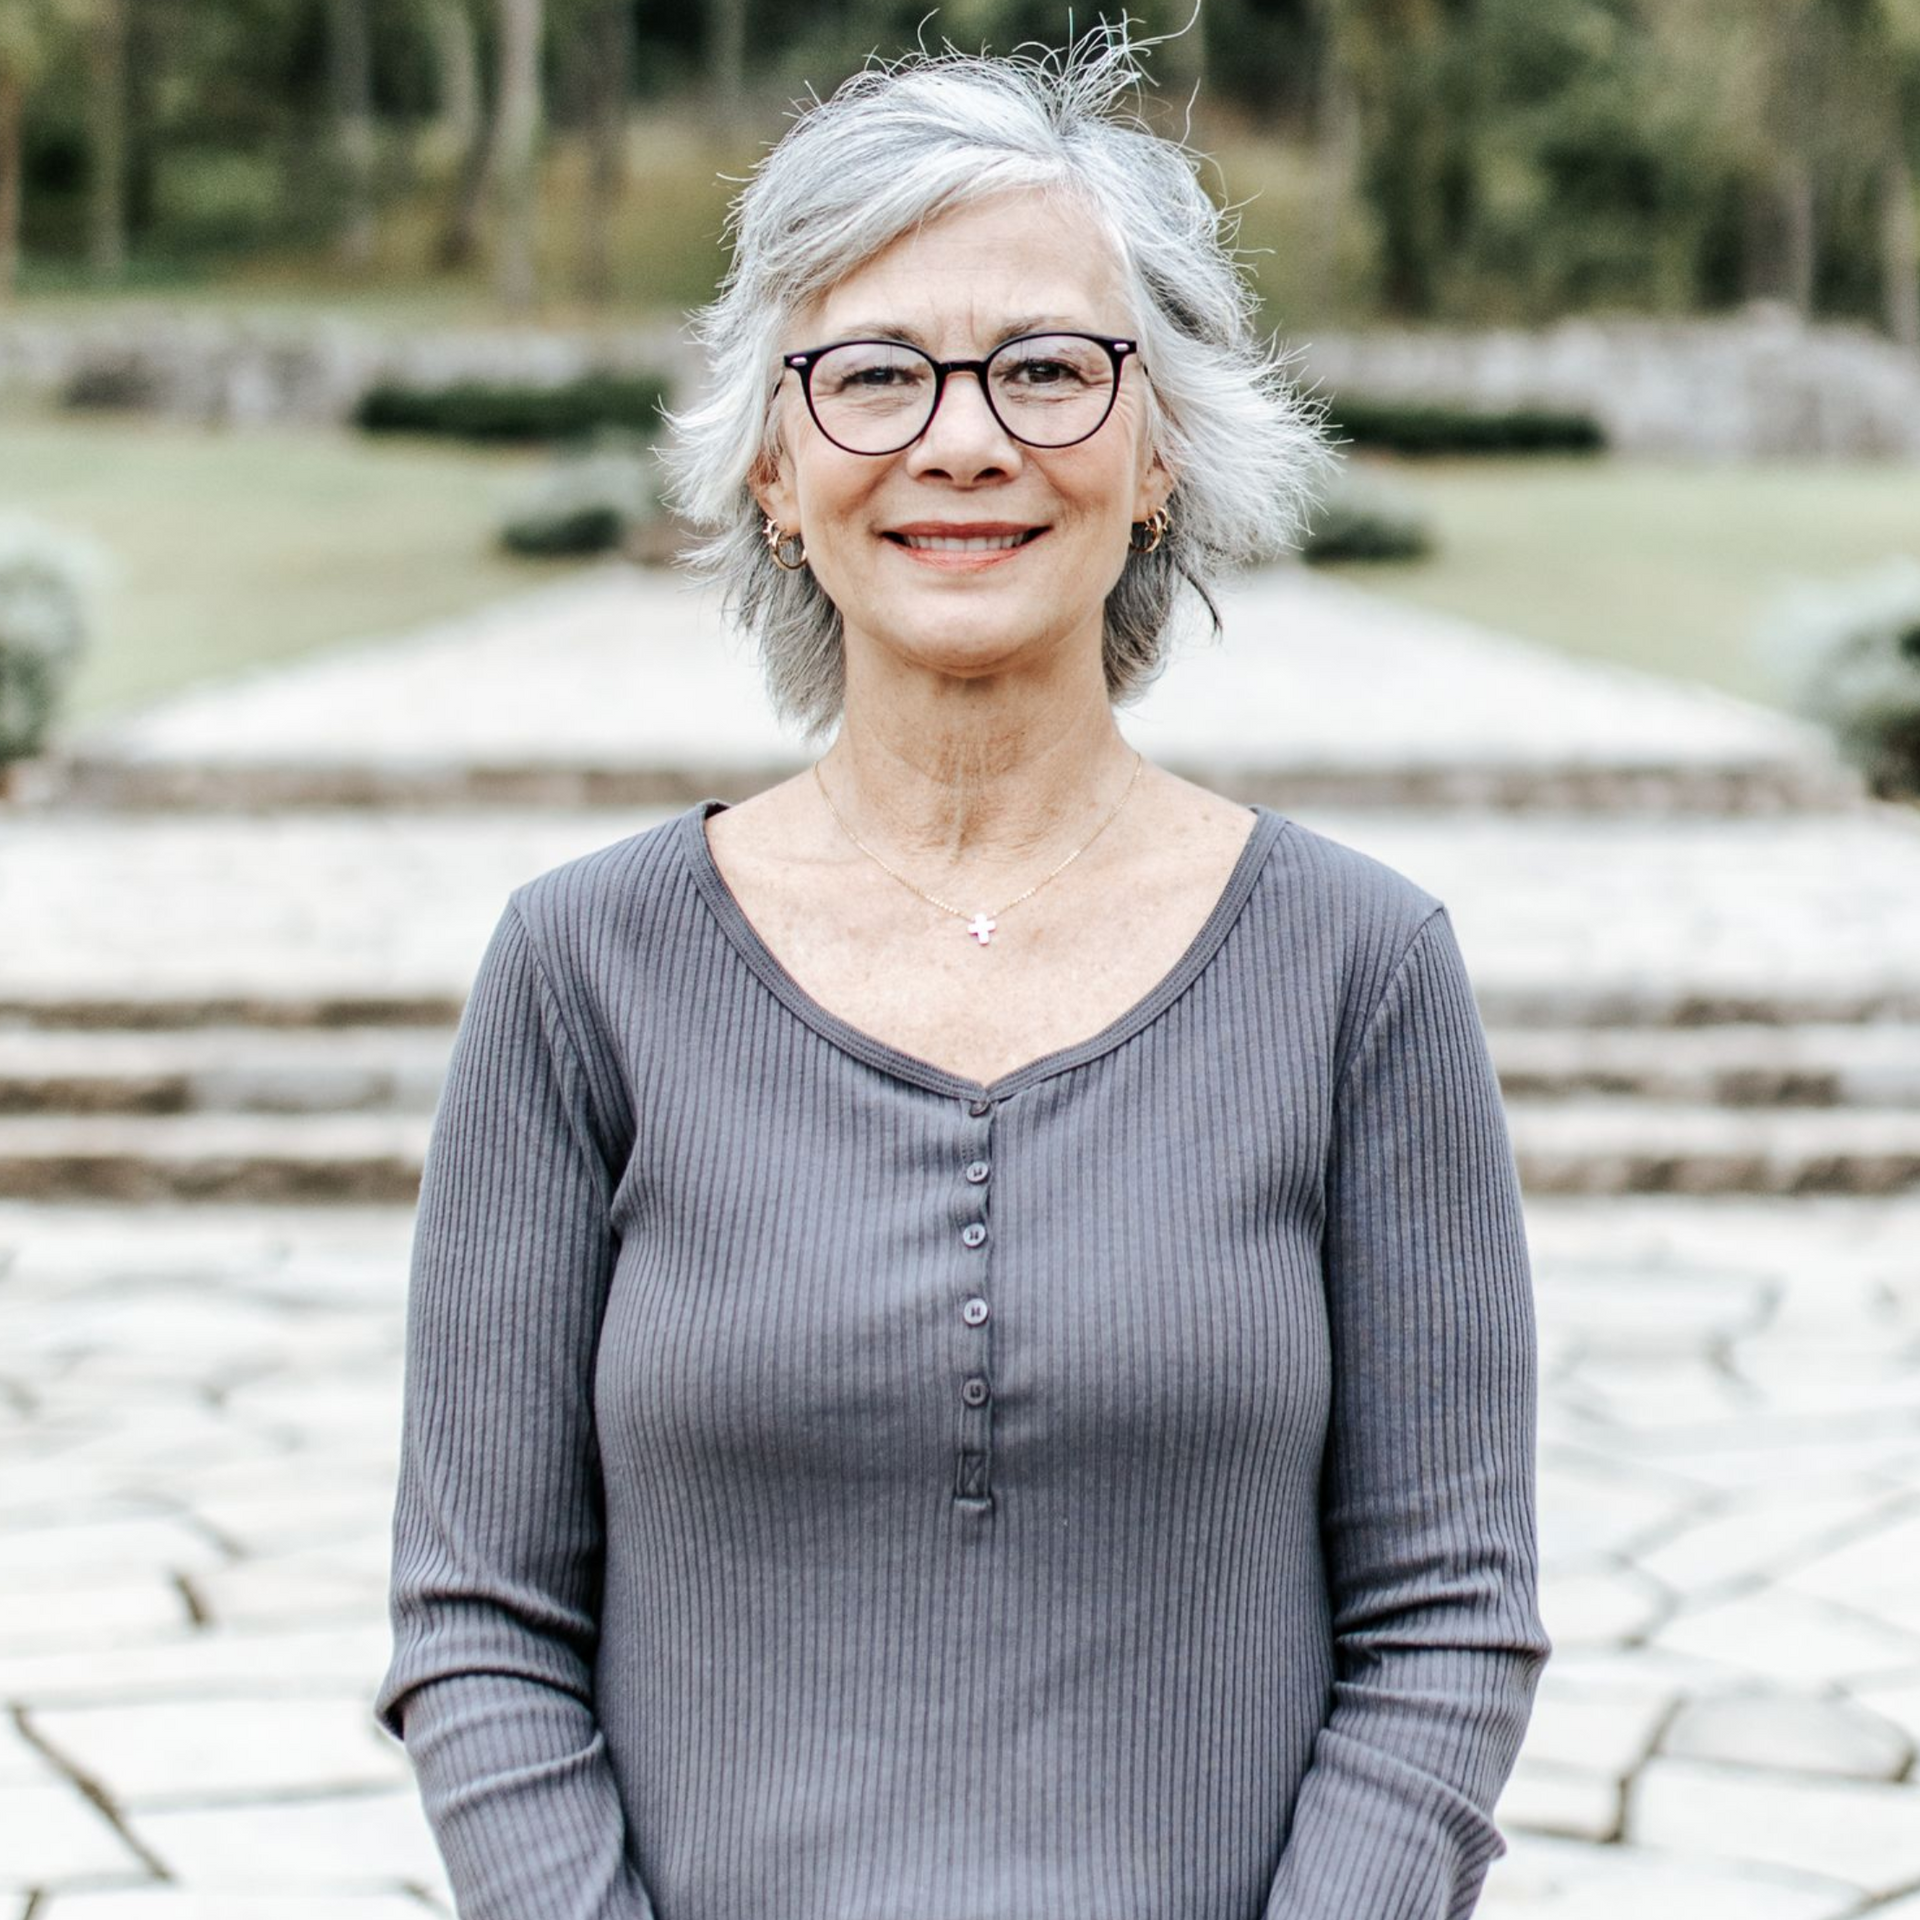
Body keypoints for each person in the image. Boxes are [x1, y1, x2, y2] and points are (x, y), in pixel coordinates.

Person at [374, 26, 1552, 1920]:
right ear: (772, 462)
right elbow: (479, 1621)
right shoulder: (581, 973)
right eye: (873, 374)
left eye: (1046, 367)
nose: (964, 436)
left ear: (1157, 447)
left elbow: (1447, 1620)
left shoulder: (1363, 976)